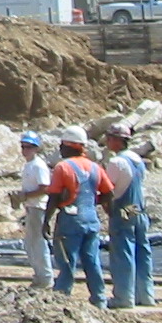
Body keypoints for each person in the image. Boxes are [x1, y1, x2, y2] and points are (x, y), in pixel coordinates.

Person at [44, 125, 113, 307]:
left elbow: (53, 197)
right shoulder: (95, 167)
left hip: (70, 221)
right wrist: (90, 201)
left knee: (67, 263)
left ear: (69, 145)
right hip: (91, 220)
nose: (60, 149)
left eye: (62, 145)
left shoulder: (63, 168)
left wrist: (46, 221)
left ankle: (60, 300)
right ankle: (100, 301)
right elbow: (108, 193)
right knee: (92, 262)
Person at [102, 121, 155, 308]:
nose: (107, 142)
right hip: (138, 208)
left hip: (124, 209)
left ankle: (124, 297)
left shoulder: (117, 162)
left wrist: (104, 205)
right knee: (142, 251)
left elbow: (108, 190)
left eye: (109, 138)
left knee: (123, 250)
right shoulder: (137, 160)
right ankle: (146, 295)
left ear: (118, 141)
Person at [18, 131, 54, 289]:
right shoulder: (29, 165)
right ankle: (39, 275)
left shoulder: (38, 166)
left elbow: (45, 188)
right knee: (31, 243)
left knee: (38, 243)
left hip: (38, 207)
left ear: (35, 148)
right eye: (23, 147)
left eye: (28, 147)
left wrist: (26, 196)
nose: (25, 150)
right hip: (32, 207)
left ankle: (45, 278)